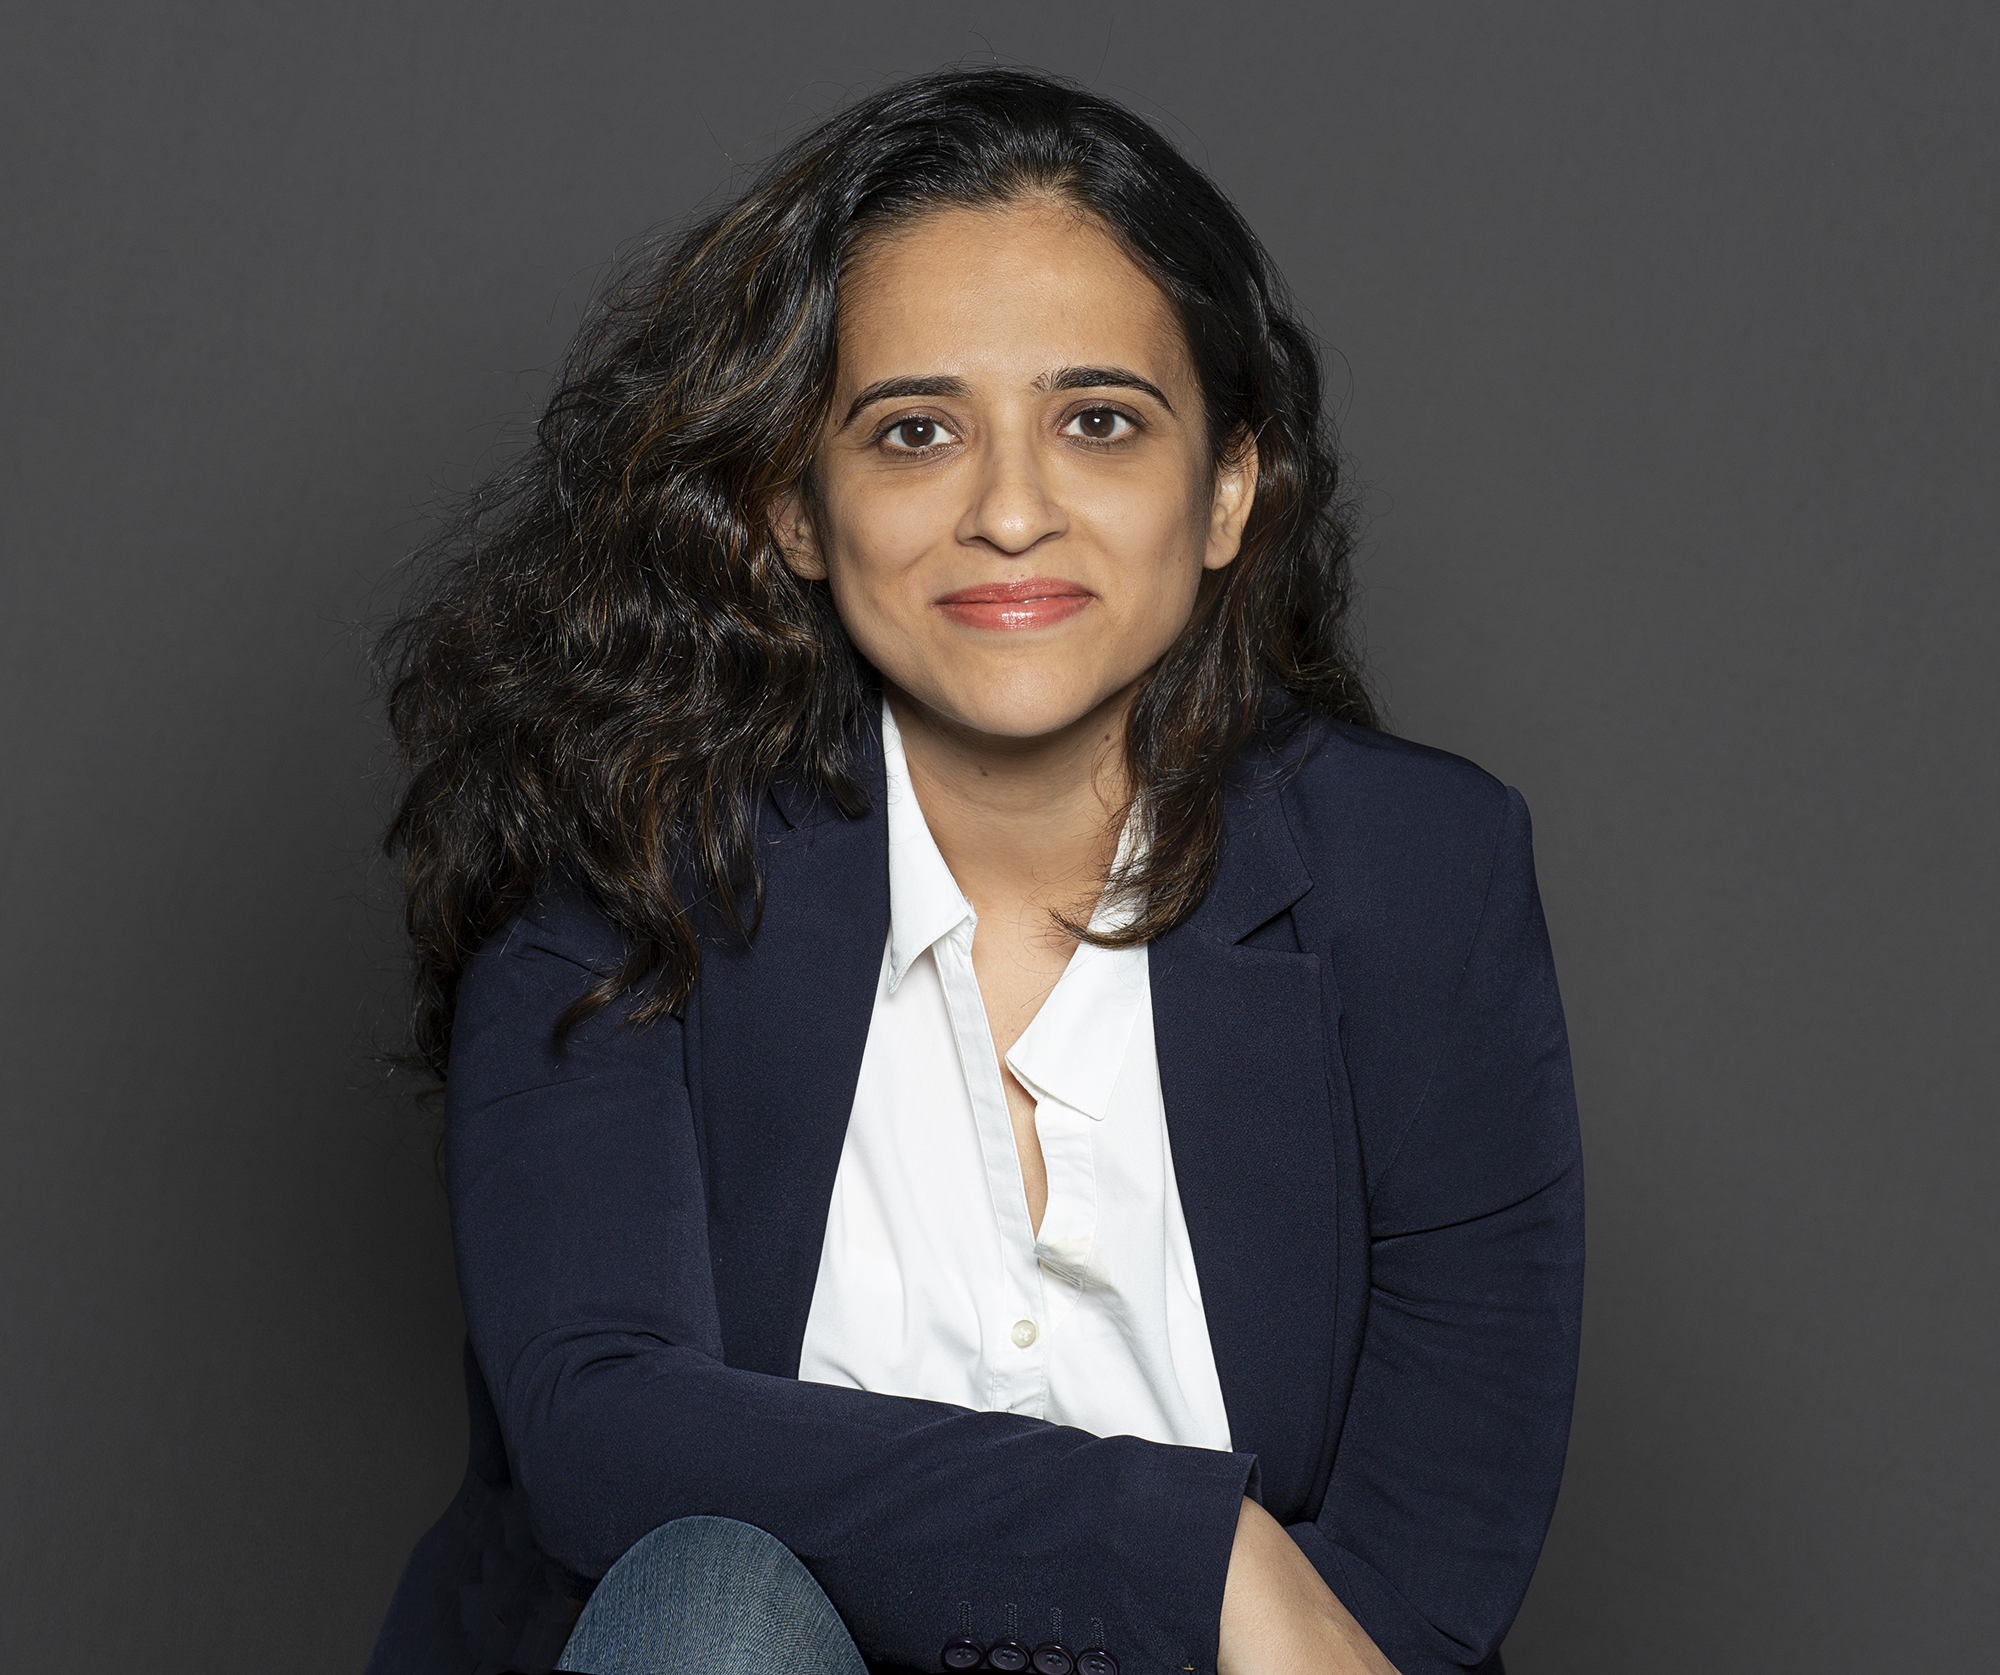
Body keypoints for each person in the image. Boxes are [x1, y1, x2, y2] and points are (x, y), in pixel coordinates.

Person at [365, 67, 1582, 1675]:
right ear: (798, 508)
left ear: (1228, 489)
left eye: (1099, 421)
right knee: (713, 1607)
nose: (1010, 513)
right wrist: (1194, 1549)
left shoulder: (1425, 876)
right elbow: (602, 1434)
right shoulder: (622, 847)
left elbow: (1424, 1571)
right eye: (916, 432)